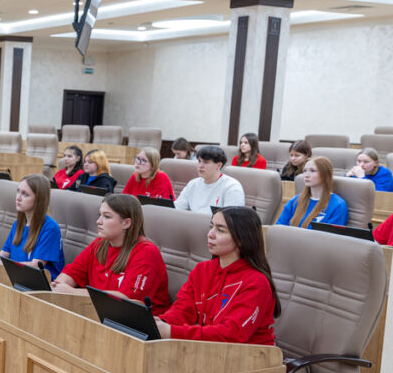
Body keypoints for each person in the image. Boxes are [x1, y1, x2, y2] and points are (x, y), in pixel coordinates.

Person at [156, 206, 280, 344]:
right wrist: (161, 322)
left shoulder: (257, 282)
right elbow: (182, 310)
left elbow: (233, 335)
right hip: (210, 351)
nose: (210, 234)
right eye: (211, 227)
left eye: (220, 230)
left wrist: (172, 332)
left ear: (241, 239)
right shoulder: (202, 270)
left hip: (250, 358)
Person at [51, 194, 170, 313]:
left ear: (126, 223)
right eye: (100, 215)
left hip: (136, 324)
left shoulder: (147, 252)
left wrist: (72, 292)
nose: (98, 221)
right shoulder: (99, 244)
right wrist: (61, 286)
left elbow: (127, 300)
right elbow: (71, 274)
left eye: (106, 216)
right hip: (99, 312)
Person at [0, 174, 65, 276]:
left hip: (39, 283)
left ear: (39, 199)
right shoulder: (18, 224)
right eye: (18, 191)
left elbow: (36, 266)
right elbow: (4, 254)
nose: (18, 198)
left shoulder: (50, 228)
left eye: (25, 194)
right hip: (17, 275)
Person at [276, 157, 348, 228]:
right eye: (304, 171)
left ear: (325, 174)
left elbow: (331, 237)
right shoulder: (294, 201)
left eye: (312, 171)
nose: (306, 175)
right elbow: (279, 229)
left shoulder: (338, 205)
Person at [174, 145, 245, 214]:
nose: (200, 166)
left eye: (205, 162)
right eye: (199, 161)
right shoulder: (193, 184)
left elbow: (231, 220)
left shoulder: (232, 187)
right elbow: (177, 208)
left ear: (219, 165)